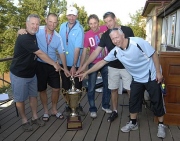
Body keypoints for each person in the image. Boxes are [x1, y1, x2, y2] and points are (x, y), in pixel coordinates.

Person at [77, 28, 166, 139]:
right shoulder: (116, 51)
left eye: (117, 37)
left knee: (156, 100)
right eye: (113, 39)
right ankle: (133, 123)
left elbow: (154, 55)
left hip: (151, 75)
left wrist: (158, 72)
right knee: (133, 101)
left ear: (123, 35)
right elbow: (102, 62)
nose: (115, 40)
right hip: (137, 78)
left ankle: (161, 125)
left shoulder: (137, 42)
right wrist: (87, 72)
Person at [76, 12, 134, 122]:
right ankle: (114, 111)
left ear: (115, 19)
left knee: (130, 89)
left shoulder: (127, 30)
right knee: (113, 89)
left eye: (110, 21)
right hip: (111, 65)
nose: (108, 24)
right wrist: (83, 67)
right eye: (106, 22)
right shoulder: (106, 34)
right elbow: (95, 52)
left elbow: (134, 46)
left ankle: (133, 114)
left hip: (126, 66)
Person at [10, 14, 61, 131]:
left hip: (31, 73)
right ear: (27, 24)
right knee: (20, 99)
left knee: (33, 96)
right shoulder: (24, 38)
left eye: (37, 24)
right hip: (19, 74)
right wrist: (54, 63)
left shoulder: (34, 35)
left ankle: (35, 117)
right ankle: (24, 120)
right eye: (32, 23)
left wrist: (20, 30)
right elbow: (40, 54)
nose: (35, 26)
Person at [18, 13, 70, 121]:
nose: (52, 24)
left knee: (56, 88)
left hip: (53, 65)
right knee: (42, 89)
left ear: (57, 23)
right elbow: (28, 31)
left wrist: (64, 68)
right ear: (46, 20)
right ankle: (46, 111)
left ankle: (54, 109)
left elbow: (62, 53)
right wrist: (20, 31)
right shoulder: (38, 30)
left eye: (55, 22)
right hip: (39, 64)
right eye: (50, 21)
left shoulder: (58, 37)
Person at [77, 14, 111, 118]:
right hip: (93, 62)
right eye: (91, 24)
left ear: (99, 22)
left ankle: (105, 105)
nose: (93, 26)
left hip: (105, 61)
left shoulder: (105, 28)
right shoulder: (87, 35)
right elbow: (84, 52)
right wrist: (81, 66)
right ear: (89, 24)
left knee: (107, 85)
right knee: (91, 87)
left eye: (95, 23)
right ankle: (92, 108)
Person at [59, 6, 85, 116]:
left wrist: (74, 65)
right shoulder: (61, 26)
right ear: (66, 16)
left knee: (77, 86)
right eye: (69, 15)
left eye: (73, 15)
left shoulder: (79, 29)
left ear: (77, 16)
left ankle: (77, 105)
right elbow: (60, 45)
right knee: (65, 86)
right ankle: (68, 105)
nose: (71, 17)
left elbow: (77, 48)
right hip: (63, 63)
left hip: (75, 64)